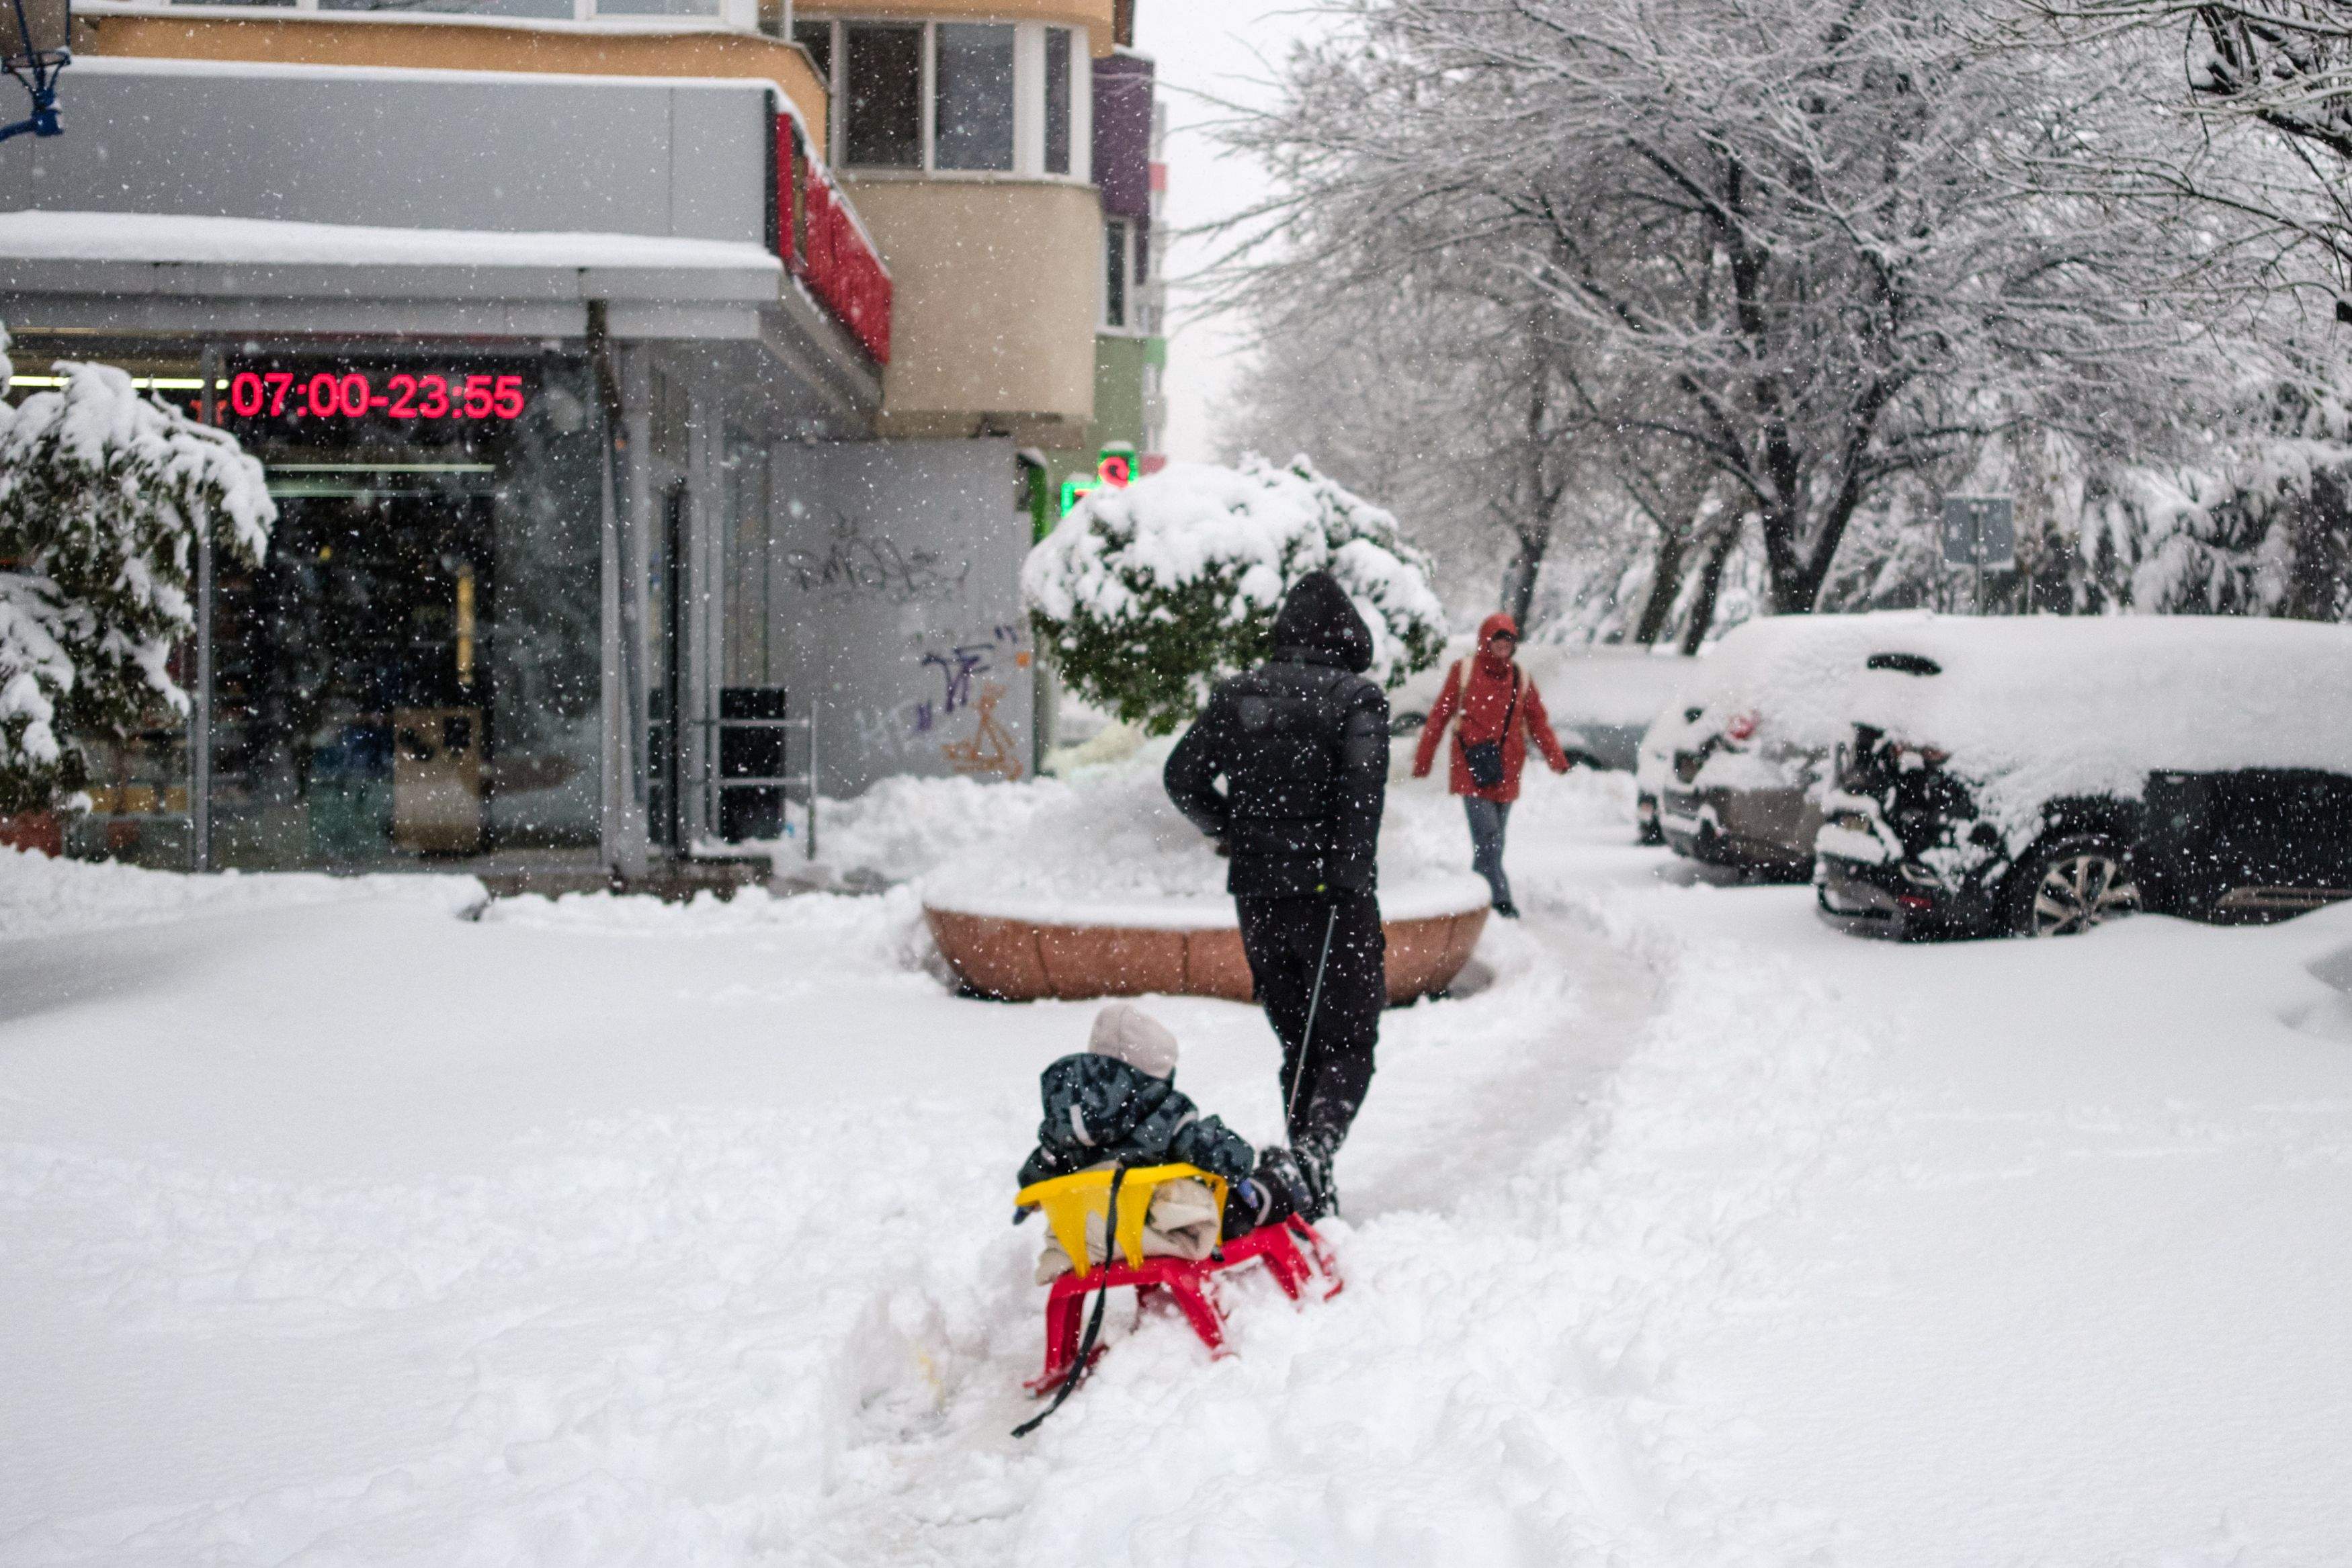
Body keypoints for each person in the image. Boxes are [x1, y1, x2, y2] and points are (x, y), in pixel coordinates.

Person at [1163, 571, 1388, 1220]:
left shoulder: (1240, 694)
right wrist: (1344, 885)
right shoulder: (1357, 699)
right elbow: (1360, 808)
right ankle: (1314, 1155)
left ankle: (1302, 1180)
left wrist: (1232, 831)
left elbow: (1182, 778)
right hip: (1332, 900)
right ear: (1348, 634)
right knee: (1347, 1043)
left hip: (1260, 897)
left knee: (1300, 1042)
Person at [1016, 1002, 1307, 1276]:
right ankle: (1284, 1184)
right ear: (1154, 1074)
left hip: (1093, 1242)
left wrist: (1032, 1197)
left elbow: (1038, 1171)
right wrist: (1239, 1160)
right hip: (1163, 1232)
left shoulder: (1065, 1124)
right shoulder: (1164, 1114)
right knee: (1249, 1196)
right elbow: (1225, 1155)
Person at [1412, 612, 1570, 918]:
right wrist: (1424, 759)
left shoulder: (1520, 677)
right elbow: (1439, 715)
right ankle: (1500, 900)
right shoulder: (1465, 671)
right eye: (1498, 639)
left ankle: (1475, 898)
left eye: (1508, 640)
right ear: (1486, 640)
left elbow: (1537, 721)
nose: (1503, 646)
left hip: (1508, 767)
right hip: (1472, 766)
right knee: (1488, 838)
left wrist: (1556, 757)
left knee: (1494, 841)